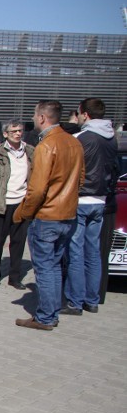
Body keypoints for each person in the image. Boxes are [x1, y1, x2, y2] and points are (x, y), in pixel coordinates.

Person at [13, 100, 85, 331]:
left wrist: (23, 213)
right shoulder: (74, 143)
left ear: (43, 117)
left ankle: (45, 316)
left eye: (35, 115)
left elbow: (37, 189)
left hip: (47, 216)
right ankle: (50, 314)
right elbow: (80, 180)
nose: (33, 120)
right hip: (67, 214)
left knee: (45, 268)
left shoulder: (47, 146)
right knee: (53, 266)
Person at [63, 98, 119, 315]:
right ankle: (92, 300)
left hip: (81, 199)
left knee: (75, 251)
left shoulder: (81, 138)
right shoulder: (112, 137)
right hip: (101, 200)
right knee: (93, 251)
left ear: (84, 114)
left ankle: (75, 302)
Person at [0, 119, 35, 290]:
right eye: (14, 131)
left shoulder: (30, 151)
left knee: (18, 242)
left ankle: (15, 277)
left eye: (20, 130)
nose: (18, 134)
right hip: (1, 203)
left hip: (22, 203)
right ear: (5, 134)